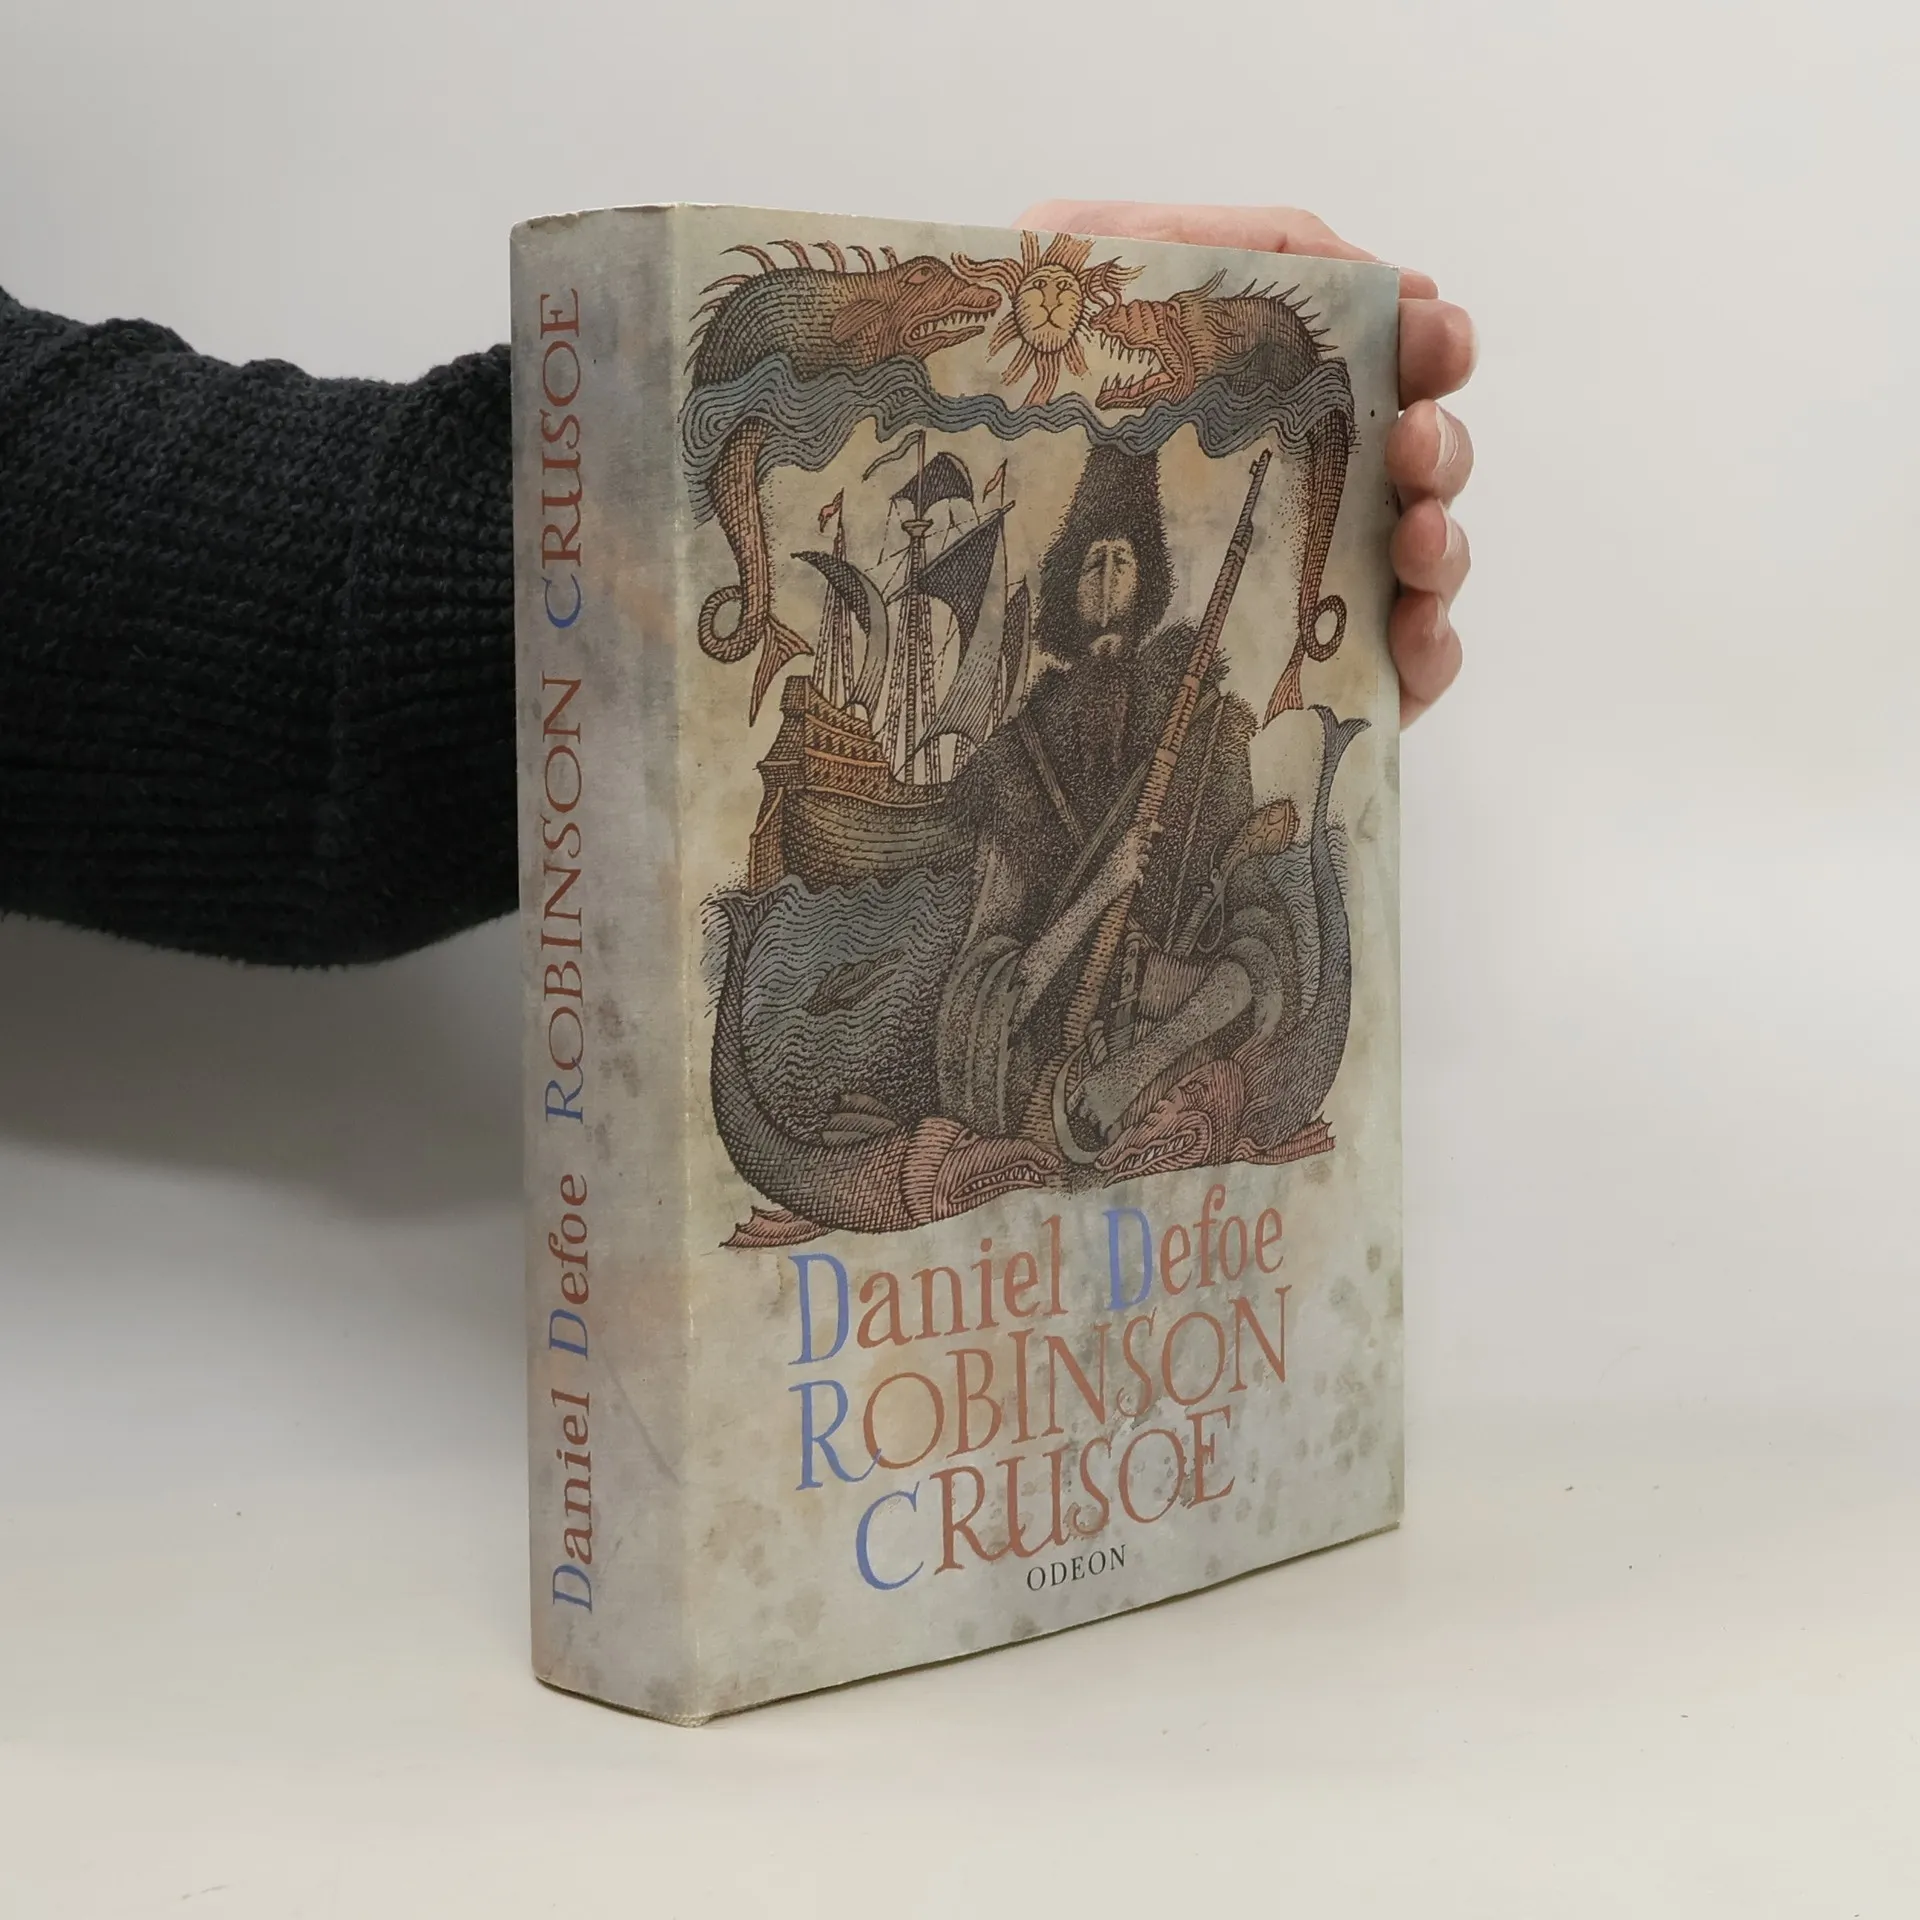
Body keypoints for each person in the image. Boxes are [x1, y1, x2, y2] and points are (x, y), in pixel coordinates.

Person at [0, 202, 1475, 968]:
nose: (1096, 581)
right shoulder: (1002, 684)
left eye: (1113, 562)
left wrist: (994, 320)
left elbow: (277, 605)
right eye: (1081, 558)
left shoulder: (1160, 686)